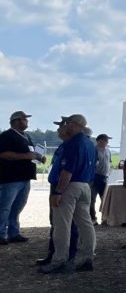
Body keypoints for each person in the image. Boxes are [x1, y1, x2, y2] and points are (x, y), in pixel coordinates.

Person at [40, 114, 97, 274]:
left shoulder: (73, 143)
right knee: (86, 223)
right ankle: (87, 257)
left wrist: (58, 191)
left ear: (74, 124)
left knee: (62, 224)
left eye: (66, 123)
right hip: (85, 185)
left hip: (70, 186)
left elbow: (67, 170)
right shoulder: (89, 143)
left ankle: (59, 259)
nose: (63, 126)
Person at [0, 111, 45, 244]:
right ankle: (1, 234)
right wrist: (25, 156)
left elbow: (30, 153)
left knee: (18, 207)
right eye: (24, 119)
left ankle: (13, 232)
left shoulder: (26, 136)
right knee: (4, 207)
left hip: (25, 178)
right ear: (16, 121)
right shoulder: (6, 136)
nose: (27, 122)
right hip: (10, 178)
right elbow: (3, 154)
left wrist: (39, 157)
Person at [90, 134, 111, 225]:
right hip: (95, 176)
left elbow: (108, 162)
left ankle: (105, 218)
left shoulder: (108, 151)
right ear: (99, 141)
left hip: (104, 177)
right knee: (92, 199)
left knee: (105, 198)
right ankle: (92, 218)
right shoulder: (94, 150)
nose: (107, 142)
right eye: (105, 140)